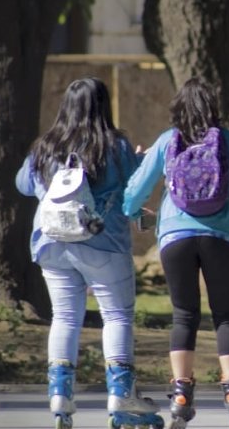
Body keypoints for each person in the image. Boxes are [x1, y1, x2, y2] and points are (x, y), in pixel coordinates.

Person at [15, 77, 160, 428]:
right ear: (104, 105)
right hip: (103, 245)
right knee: (117, 316)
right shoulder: (116, 146)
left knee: (65, 318)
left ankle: (60, 397)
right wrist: (137, 163)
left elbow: (23, 184)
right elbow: (136, 187)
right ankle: (121, 396)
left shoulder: (46, 147)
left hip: (52, 245)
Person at [122, 77, 229, 429]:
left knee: (184, 315)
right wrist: (225, 225)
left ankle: (181, 394)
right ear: (213, 108)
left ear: (178, 108)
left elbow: (135, 192)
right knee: (226, 315)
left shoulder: (167, 141)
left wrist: (137, 213)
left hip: (175, 238)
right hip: (221, 237)